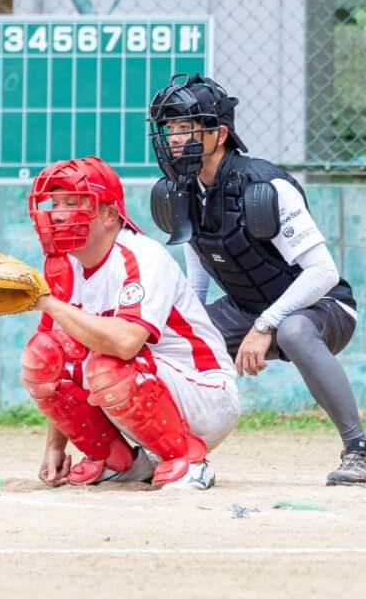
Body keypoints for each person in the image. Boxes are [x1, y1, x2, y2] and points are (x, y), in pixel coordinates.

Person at [148, 73, 365, 485]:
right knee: (173, 339)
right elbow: (196, 285)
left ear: (220, 133)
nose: (174, 138)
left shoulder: (263, 185)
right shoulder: (183, 192)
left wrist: (266, 325)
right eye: (170, 128)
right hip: (246, 308)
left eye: (186, 128)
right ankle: (167, 450)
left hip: (321, 306)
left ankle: (359, 450)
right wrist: (184, 331)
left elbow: (322, 272)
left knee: (295, 332)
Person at [21, 156, 239, 490]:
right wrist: (55, 447)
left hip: (204, 395)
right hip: (142, 387)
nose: (59, 213)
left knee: (108, 361)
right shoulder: (62, 267)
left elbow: (126, 343)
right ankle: (116, 459)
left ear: (110, 214)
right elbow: (63, 362)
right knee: (44, 354)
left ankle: (187, 460)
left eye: (74, 202)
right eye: (54, 203)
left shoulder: (140, 256)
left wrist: (49, 303)